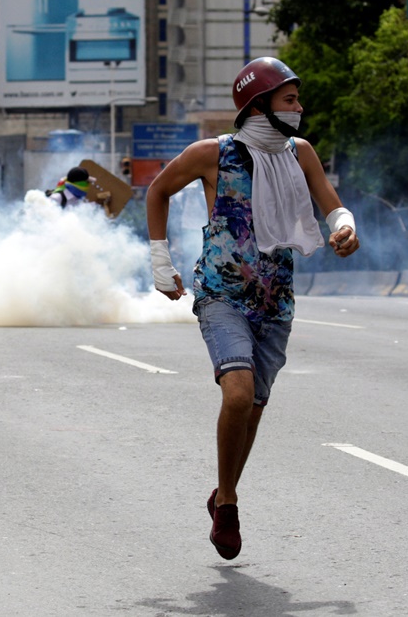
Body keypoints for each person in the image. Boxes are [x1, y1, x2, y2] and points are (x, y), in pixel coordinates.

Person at [145, 56, 359, 560]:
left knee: (254, 410)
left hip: (275, 300)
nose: (300, 108)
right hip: (222, 296)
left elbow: (331, 203)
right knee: (237, 397)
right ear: (259, 105)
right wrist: (160, 261)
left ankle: (220, 494)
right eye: (290, 100)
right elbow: (158, 191)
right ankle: (230, 504)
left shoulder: (299, 152)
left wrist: (344, 227)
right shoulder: (211, 154)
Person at [46, 166, 112, 211]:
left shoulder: (77, 199)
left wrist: (100, 204)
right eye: (87, 182)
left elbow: (86, 208)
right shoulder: (56, 199)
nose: (88, 185)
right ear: (80, 184)